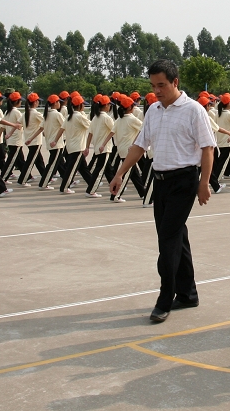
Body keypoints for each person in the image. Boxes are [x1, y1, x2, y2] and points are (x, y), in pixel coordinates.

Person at [109, 59, 216, 323]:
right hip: (161, 181)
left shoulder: (193, 110)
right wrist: (120, 173)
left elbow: (207, 147)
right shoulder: (154, 111)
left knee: (167, 241)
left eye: (161, 85)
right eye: (153, 86)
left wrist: (204, 183)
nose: (156, 91)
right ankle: (188, 294)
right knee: (177, 237)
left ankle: (165, 298)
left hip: (184, 181)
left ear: (175, 82)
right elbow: (140, 145)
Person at [111, 95, 146, 202]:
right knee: (126, 174)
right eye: (133, 106)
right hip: (129, 150)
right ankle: (115, 195)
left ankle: (143, 194)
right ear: (130, 108)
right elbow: (144, 128)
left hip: (122, 149)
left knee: (134, 174)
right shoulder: (132, 119)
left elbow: (112, 132)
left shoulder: (119, 119)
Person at [58, 93, 94, 194]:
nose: (84, 106)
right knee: (71, 169)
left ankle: (92, 184)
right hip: (77, 147)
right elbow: (91, 126)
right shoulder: (79, 116)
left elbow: (61, 129)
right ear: (80, 106)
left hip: (71, 146)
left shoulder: (69, 116)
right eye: (83, 104)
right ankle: (64, 187)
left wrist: (55, 140)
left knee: (83, 168)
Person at [85, 95, 116, 198]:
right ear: (106, 105)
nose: (110, 107)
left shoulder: (95, 117)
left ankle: (115, 187)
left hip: (98, 147)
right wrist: (104, 143)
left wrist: (87, 147)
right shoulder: (106, 118)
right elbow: (114, 130)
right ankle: (91, 190)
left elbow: (90, 133)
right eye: (109, 105)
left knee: (108, 169)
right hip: (104, 148)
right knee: (99, 170)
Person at [19, 93, 47, 186]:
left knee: (39, 160)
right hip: (34, 140)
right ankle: (22, 180)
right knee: (30, 162)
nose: (38, 102)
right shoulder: (36, 114)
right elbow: (45, 123)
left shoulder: (25, 114)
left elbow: (18, 123)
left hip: (29, 139)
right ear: (35, 102)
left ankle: (45, 177)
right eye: (37, 101)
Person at [38, 94, 64, 190]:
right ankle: (43, 183)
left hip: (50, 142)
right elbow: (65, 126)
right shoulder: (57, 114)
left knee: (58, 163)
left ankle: (68, 181)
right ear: (55, 103)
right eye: (59, 102)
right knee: (52, 165)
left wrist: (31, 138)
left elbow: (41, 129)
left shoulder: (47, 114)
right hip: (56, 143)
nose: (60, 104)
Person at [1, 92, 27, 182]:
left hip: (12, 139)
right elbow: (22, 124)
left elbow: (3, 126)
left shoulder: (7, 112)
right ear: (16, 101)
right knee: (11, 161)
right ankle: (3, 178)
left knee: (20, 160)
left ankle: (27, 176)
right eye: (20, 101)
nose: (21, 102)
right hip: (16, 140)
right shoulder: (16, 112)